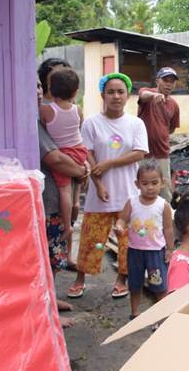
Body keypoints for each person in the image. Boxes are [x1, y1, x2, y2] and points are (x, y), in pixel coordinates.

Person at [67, 73, 148, 300]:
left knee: (126, 240)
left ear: (128, 95)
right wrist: (99, 183)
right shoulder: (92, 122)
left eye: (120, 92)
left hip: (128, 194)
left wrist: (109, 163)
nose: (116, 96)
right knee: (91, 238)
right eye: (110, 92)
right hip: (98, 193)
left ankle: (121, 280)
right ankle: (80, 279)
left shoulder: (136, 123)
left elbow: (139, 152)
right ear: (102, 94)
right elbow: (87, 152)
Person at [36, 79, 90, 328]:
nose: (37, 90)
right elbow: (56, 158)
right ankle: (45, 308)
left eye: (39, 85)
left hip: (53, 203)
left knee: (53, 256)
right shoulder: (34, 122)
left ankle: (50, 300)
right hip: (46, 204)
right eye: (32, 86)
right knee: (45, 258)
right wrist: (81, 170)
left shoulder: (44, 115)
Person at [114, 161, 174, 319]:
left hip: (156, 253)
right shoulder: (132, 202)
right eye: (145, 183)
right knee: (135, 284)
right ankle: (134, 313)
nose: (150, 187)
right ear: (137, 184)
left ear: (162, 183)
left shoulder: (163, 205)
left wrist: (169, 249)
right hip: (135, 252)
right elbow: (122, 219)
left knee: (159, 285)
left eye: (154, 183)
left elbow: (168, 229)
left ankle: (161, 316)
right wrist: (119, 226)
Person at [37, 58, 81, 269]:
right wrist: (82, 170)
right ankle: (75, 206)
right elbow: (55, 157)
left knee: (65, 191)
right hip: (77, 154)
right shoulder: (76, 109)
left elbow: (58, 155)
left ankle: (68, 222)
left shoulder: (46, 111)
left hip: (66, 162)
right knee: (76, 182)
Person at [137, 67, 181, 202]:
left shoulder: (174, 105)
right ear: (157, 81)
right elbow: (143, 95)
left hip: (162, 153)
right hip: (142, 152)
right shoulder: (148, 95)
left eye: (171, 81)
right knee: (141, 188)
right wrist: (154, 95)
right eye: (165, 80)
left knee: (164, 191)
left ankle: (164, 220)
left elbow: (171, 129)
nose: (168, 84)